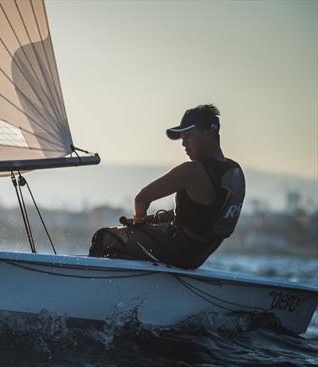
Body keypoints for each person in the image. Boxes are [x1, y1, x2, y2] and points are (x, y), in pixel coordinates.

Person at [88, 104, 245, 269]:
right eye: (182, 138)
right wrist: (153, 220)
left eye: (189, 135)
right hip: (197, 257)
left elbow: (141, 199)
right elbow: (200, 218)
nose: (184, 143)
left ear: (210, 133)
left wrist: (138, 226)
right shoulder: (235, 173)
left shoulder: (192, 171)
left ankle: (98, 286)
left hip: (175, 253)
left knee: (103, 237)